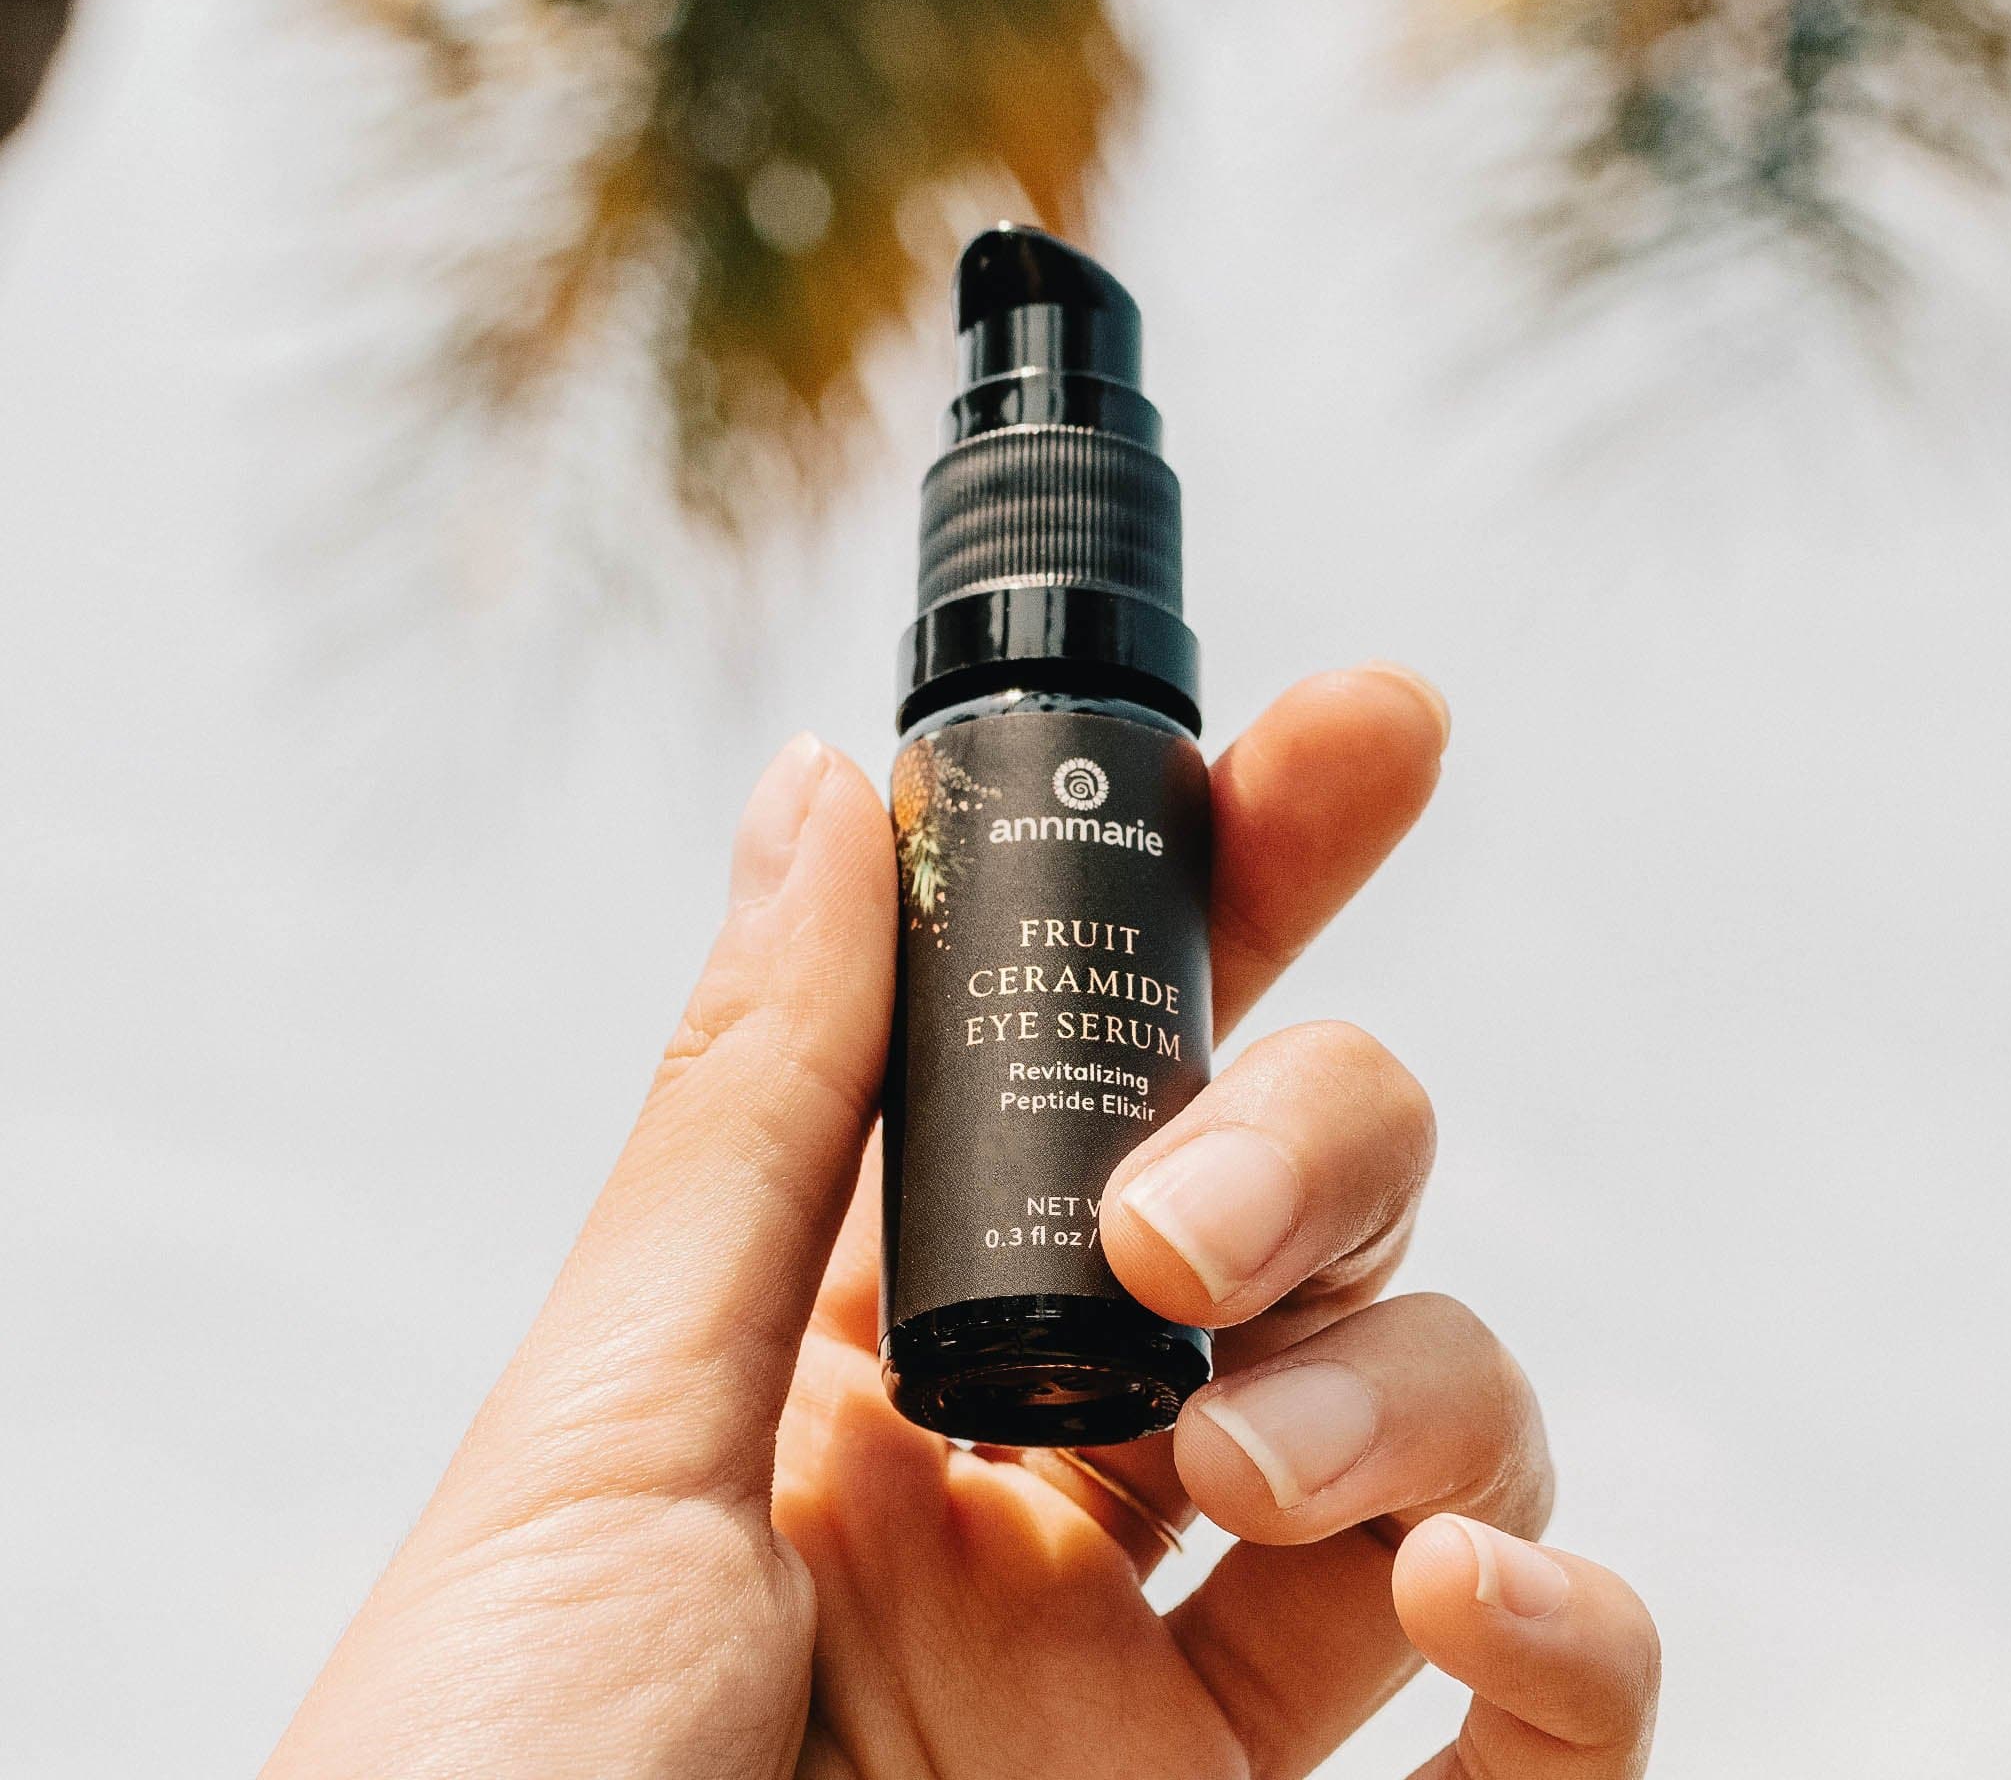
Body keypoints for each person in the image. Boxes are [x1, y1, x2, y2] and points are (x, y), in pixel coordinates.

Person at [261, 666, 1659, 1779]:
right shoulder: (975, 766)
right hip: (931, 1412)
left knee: (1245, 1236)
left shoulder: (1100, 776)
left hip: (1065, 1425)